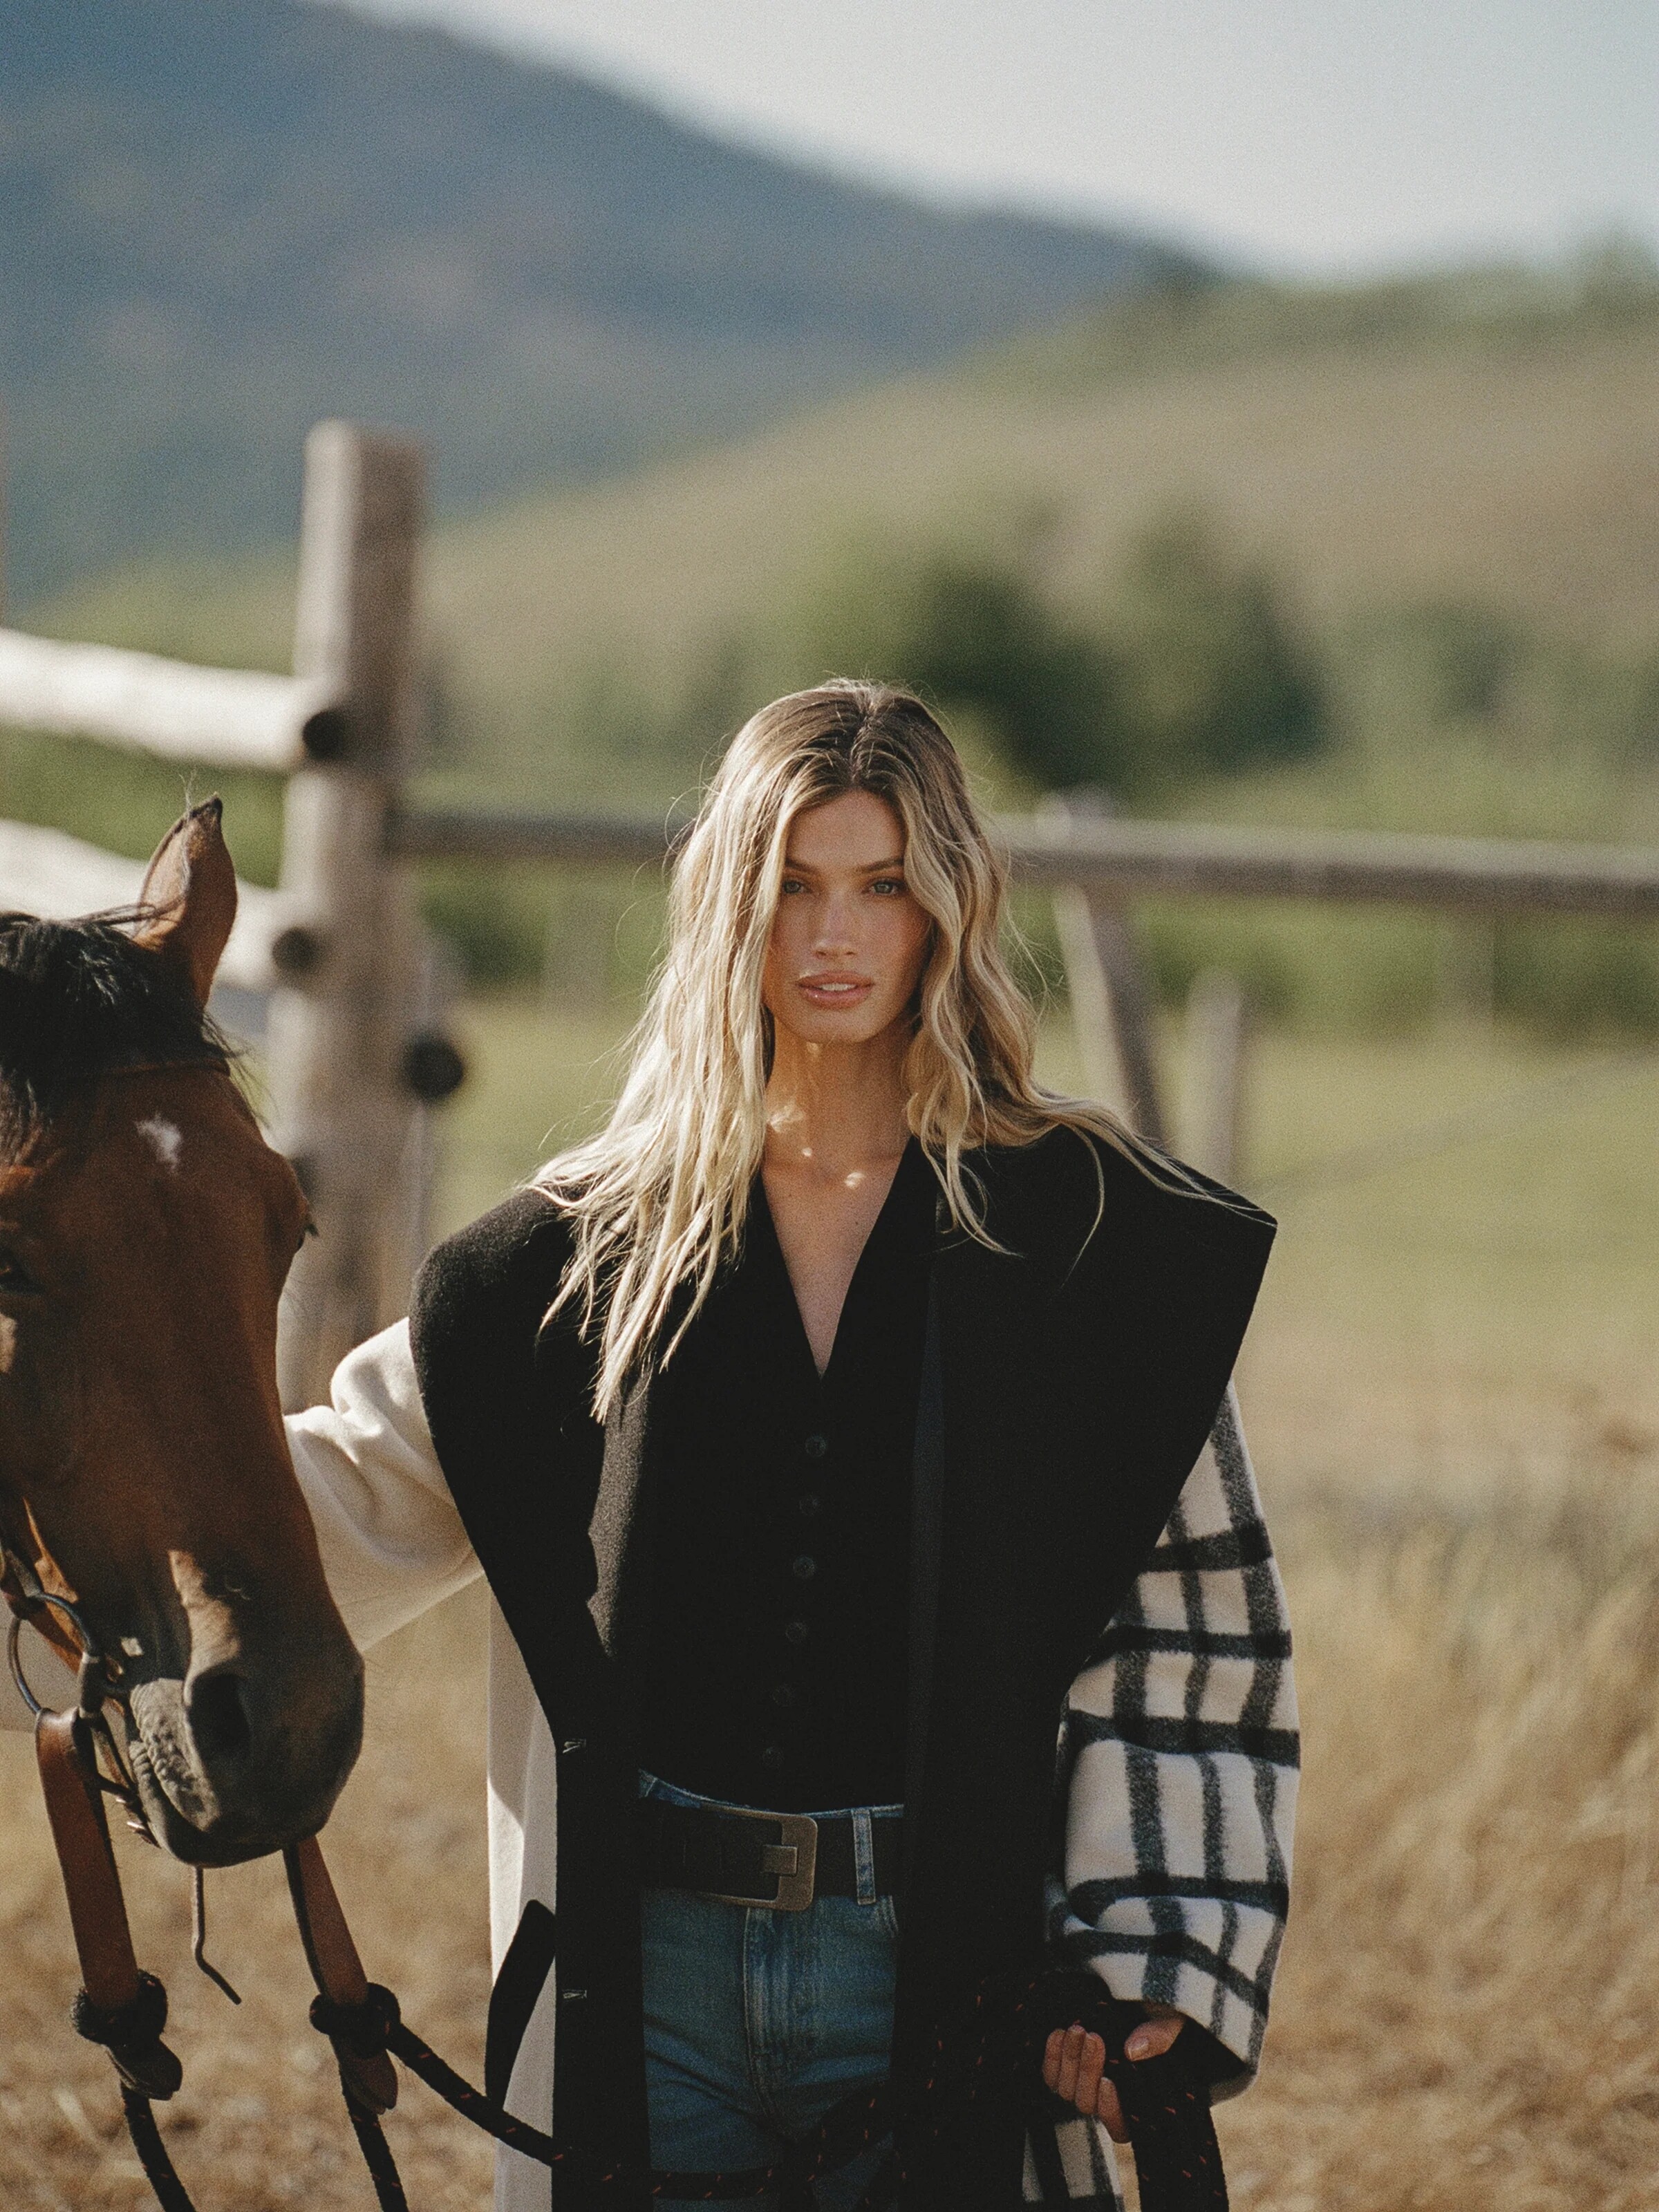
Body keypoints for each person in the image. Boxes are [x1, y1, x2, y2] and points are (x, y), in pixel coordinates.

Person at [286, 682, 1299, 2212]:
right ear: (728, 909)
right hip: (651, 1969)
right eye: (792, 888)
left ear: (948, 905)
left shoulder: (1084, 1243)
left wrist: (1156, 1955)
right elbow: (339, 1491)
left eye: (881, 886)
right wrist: (76, 1517)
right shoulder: (586, 1253)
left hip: (941, 1966)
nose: (834, 937)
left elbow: (1196, 1625)